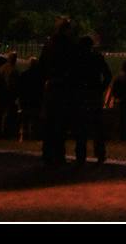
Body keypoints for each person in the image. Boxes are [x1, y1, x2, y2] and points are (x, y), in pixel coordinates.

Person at [39, 18, 78, 166]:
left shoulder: (49, 44)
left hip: (51, 86)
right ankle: (59, 155)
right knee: (60, 123)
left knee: (50, 122)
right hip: (63, 87)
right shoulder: (68, 45)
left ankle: (47, 153)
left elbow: (42, 66)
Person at [72, 35, 112, 165]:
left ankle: (80, 155)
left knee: (81, 126)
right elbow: (108, 75)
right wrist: (100, 88)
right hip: (94, 94)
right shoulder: (97, 58)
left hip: (81, 94)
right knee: (97, 126)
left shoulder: (77, 59)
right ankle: (100, 153)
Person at [17, 57, 44, 141]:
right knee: (34, 118)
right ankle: (33, 135)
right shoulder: (40, 76)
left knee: (25, 118)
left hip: (26, 99)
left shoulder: (24, 74)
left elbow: (20, 88)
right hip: (35, 99)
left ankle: (24, 135)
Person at [0, 51, 20, 138]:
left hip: (3, 93)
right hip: (9, 93)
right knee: (8, 111)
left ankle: (0, 129)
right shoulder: (14, 70)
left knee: (1, 111)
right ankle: (7, 129)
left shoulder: (2, 68)